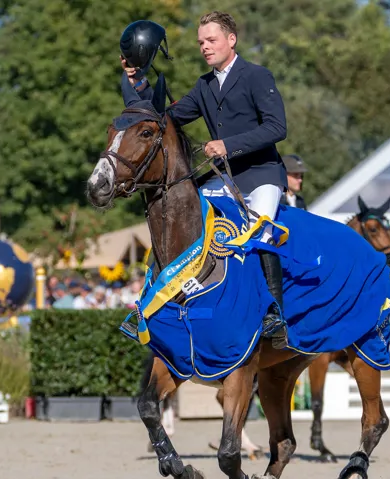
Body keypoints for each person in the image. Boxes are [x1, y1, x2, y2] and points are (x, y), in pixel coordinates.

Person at [120, 12, 290, 348]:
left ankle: (274, 313)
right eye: (201, 42)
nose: (204, 47)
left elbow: (277, 128)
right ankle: (149, 305)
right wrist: (138, 83)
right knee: (180, 219)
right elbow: (166, 119)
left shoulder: (257, 76)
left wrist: (228, 145)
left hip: (261, 177)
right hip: (225, 179)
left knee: (262, 231)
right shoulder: (205, 85)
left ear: (231, 39)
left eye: (210, 40)